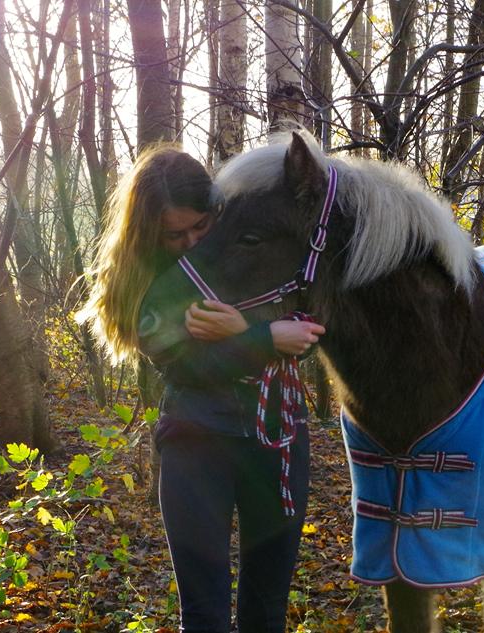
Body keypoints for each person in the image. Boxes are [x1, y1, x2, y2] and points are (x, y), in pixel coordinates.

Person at [78, 146, 325, 633]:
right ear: (151, 232)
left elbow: (308, 331)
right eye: (175, 234)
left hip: (276, 440)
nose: (191, 242)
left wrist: (246, 333)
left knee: (266, 609)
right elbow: (185, 367)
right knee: (205, 614)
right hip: (196, 442)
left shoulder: (251, 241)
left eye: (201, 226)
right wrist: (263, 338)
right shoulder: (148, 279)